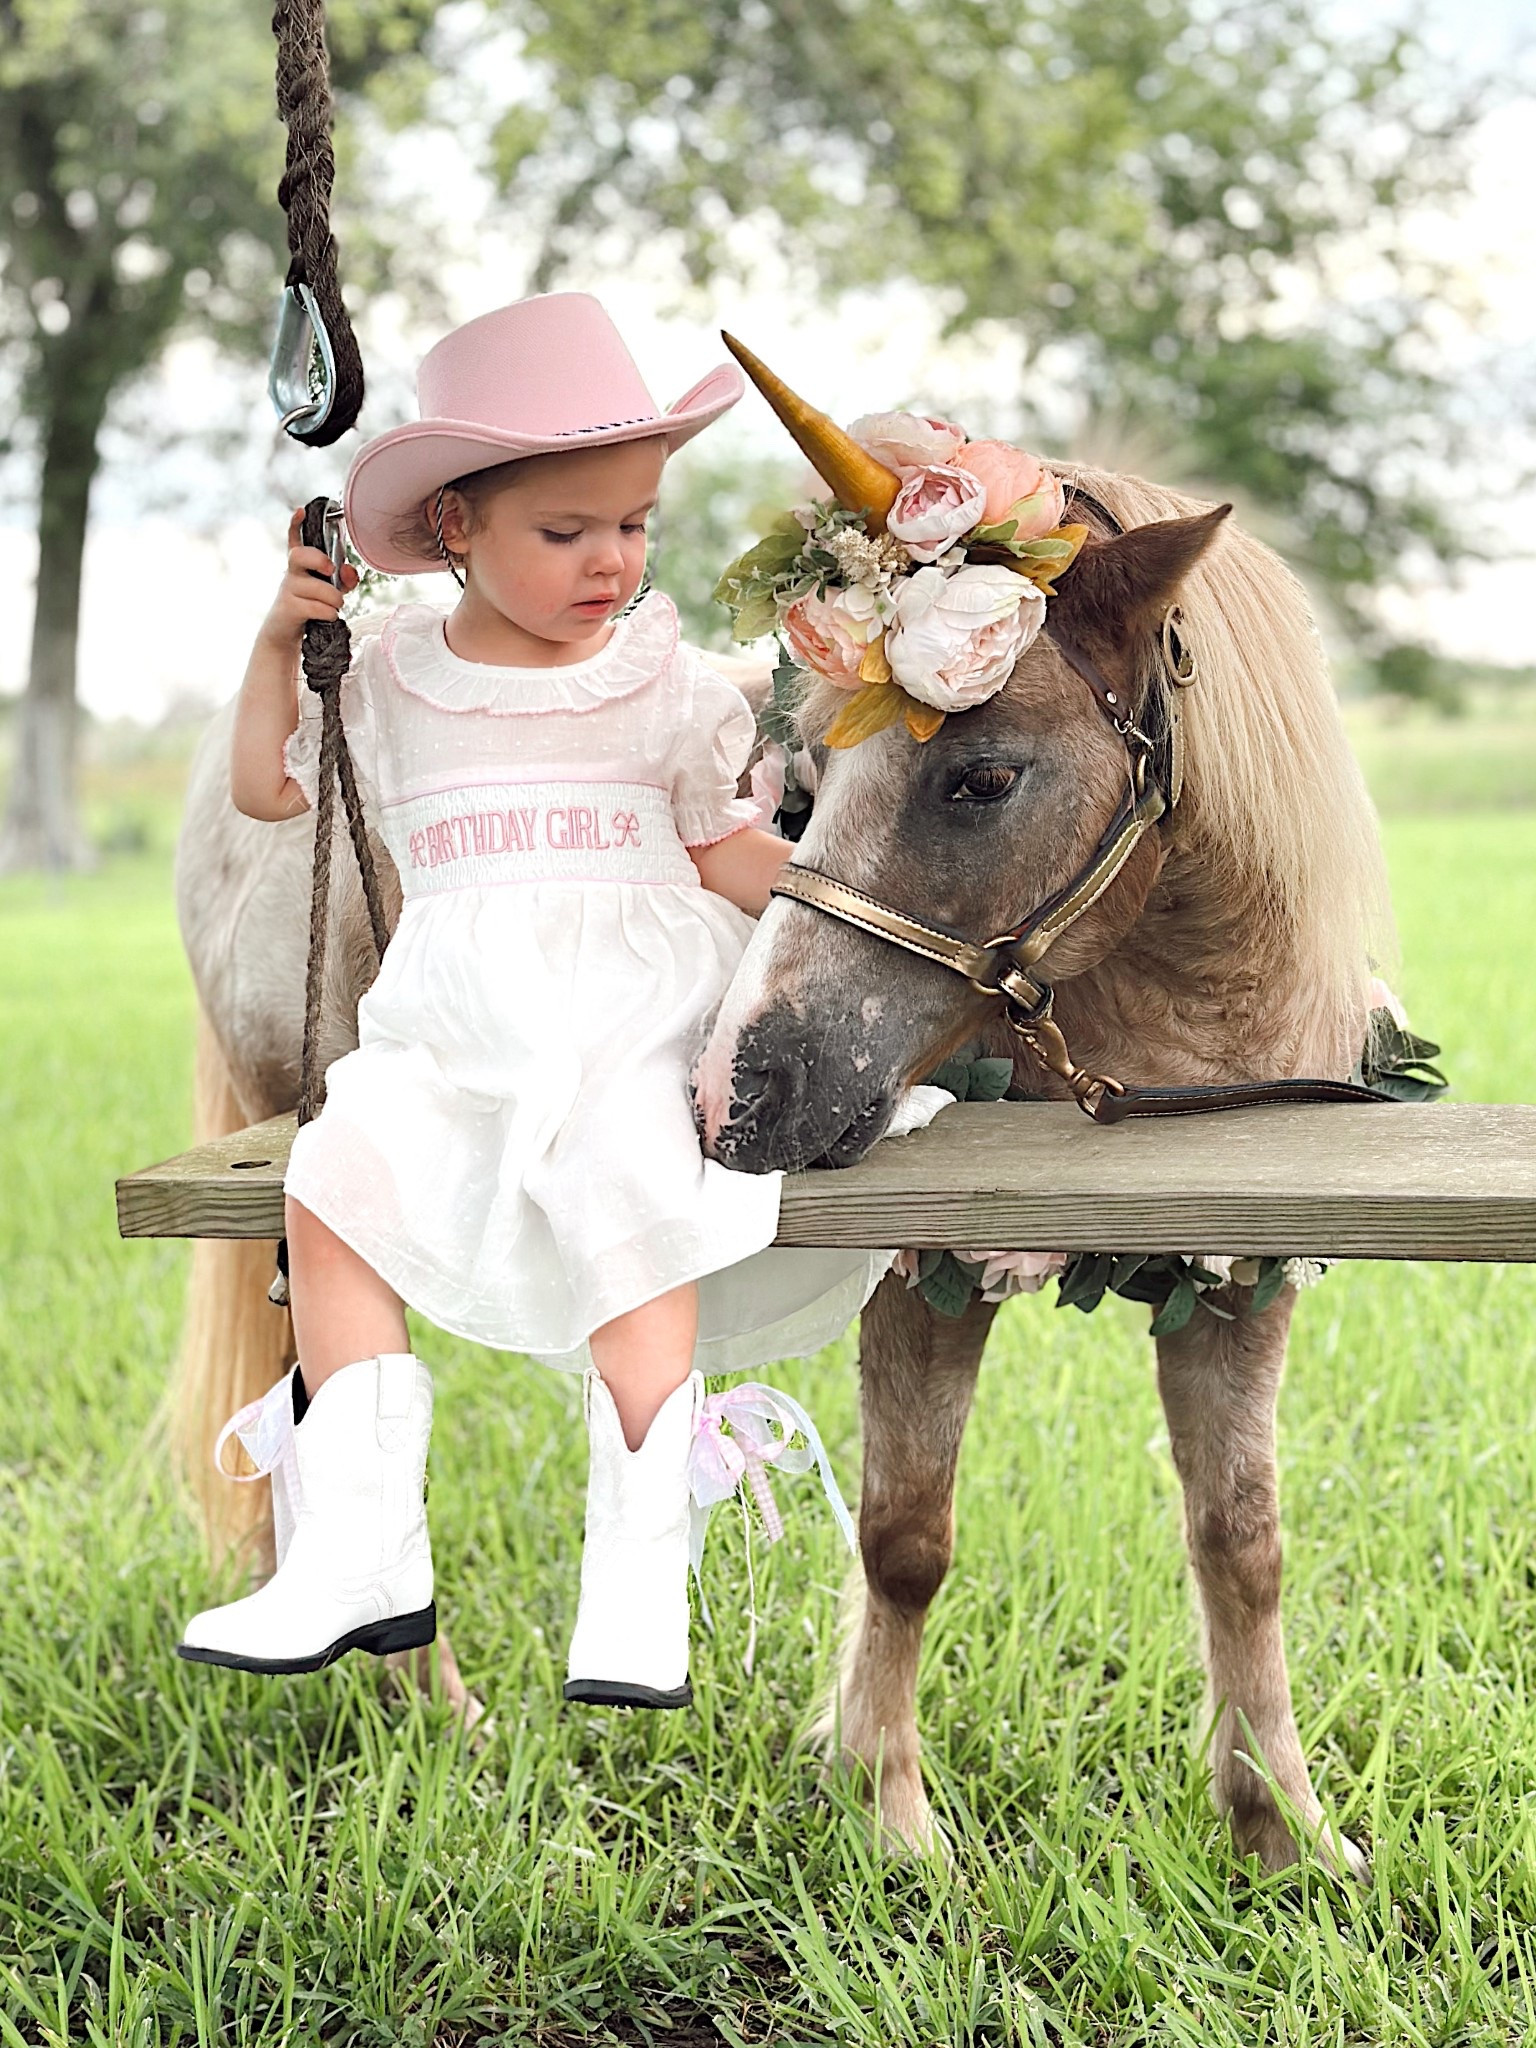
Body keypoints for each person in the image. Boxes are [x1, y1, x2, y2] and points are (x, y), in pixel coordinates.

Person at [175, 293, 947, 1708]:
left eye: (636, 525)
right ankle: (360, 1552)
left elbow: (726, 855)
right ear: (456, 527)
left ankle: (640, 1577)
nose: (615, 560)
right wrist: (280, 641)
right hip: (453, 1026)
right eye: (569, 530)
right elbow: (266, 790)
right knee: (336, 1185)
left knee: (627, 1191)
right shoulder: (394, 676)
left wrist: (872, 919)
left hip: (629, 1008)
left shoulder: (662, 679)